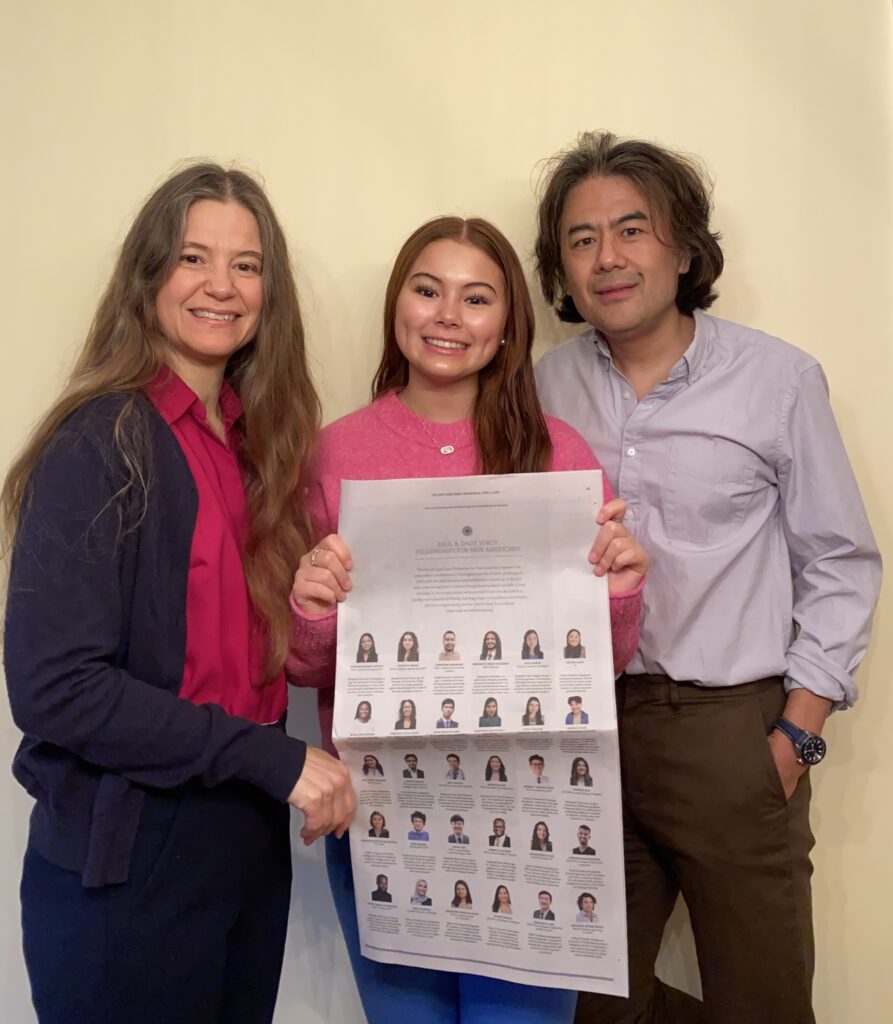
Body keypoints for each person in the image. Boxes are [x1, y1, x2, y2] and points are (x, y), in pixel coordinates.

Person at [533, 130, 882, 1024]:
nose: (606, 258)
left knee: (759, 1001)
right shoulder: (538, 390)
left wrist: (794, 736)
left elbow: (839, 562)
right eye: (580, 239)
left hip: (730, 730)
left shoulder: (776, 380)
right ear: (561, 269)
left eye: (631, 229)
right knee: (586, 1004)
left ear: (683, 249)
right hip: (583, 728)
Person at [1, 163, 355, 1024]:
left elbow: (242, 657)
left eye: (247, 265)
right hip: (127, 860)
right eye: (194, 258)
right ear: (148, 273)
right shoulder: (101, 442)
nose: (221, 287)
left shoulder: (253, 444)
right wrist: (275, 759)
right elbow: (57, 688)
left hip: (241, 845)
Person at [290, 215, 648, 1024]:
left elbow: (603, 665)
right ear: (397, 306)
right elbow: (305, 666)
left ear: (507, 326)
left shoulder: (559, 452)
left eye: (476, 298)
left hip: (535, 817)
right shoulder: (333, 453)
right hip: (383, 811)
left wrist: (620, 590)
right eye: (427, 290)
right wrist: (310, 609)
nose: (447, 315)